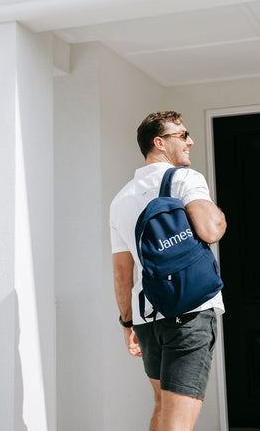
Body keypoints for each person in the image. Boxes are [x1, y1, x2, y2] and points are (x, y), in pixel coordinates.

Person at [110, 111, 226, 431]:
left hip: (148, 316)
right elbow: (211, 229)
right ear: (159, 143)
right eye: (183, 135)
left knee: (162, 409)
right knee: (178, 424)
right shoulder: (186, 179)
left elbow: (122, 274)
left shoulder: (120, 200)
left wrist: (127, 323)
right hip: (189, 312)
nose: (191, 141)